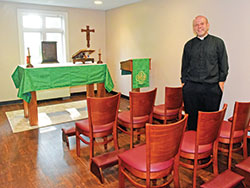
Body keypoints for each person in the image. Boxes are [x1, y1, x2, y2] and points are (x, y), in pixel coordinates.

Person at [181, 15, 229, 130]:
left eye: (202, 24)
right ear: (194, 28)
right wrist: (184, 83)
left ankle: (208, 147)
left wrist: (221, 83)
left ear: (207, 25)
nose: (199, 27)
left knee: (210, 122)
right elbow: (184, 66)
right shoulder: (188, 45)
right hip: (191, 88)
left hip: (211, 88)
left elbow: (224, 65)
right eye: (196, 25)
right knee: (192, 121)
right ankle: (192, 146)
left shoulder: (218, 43)